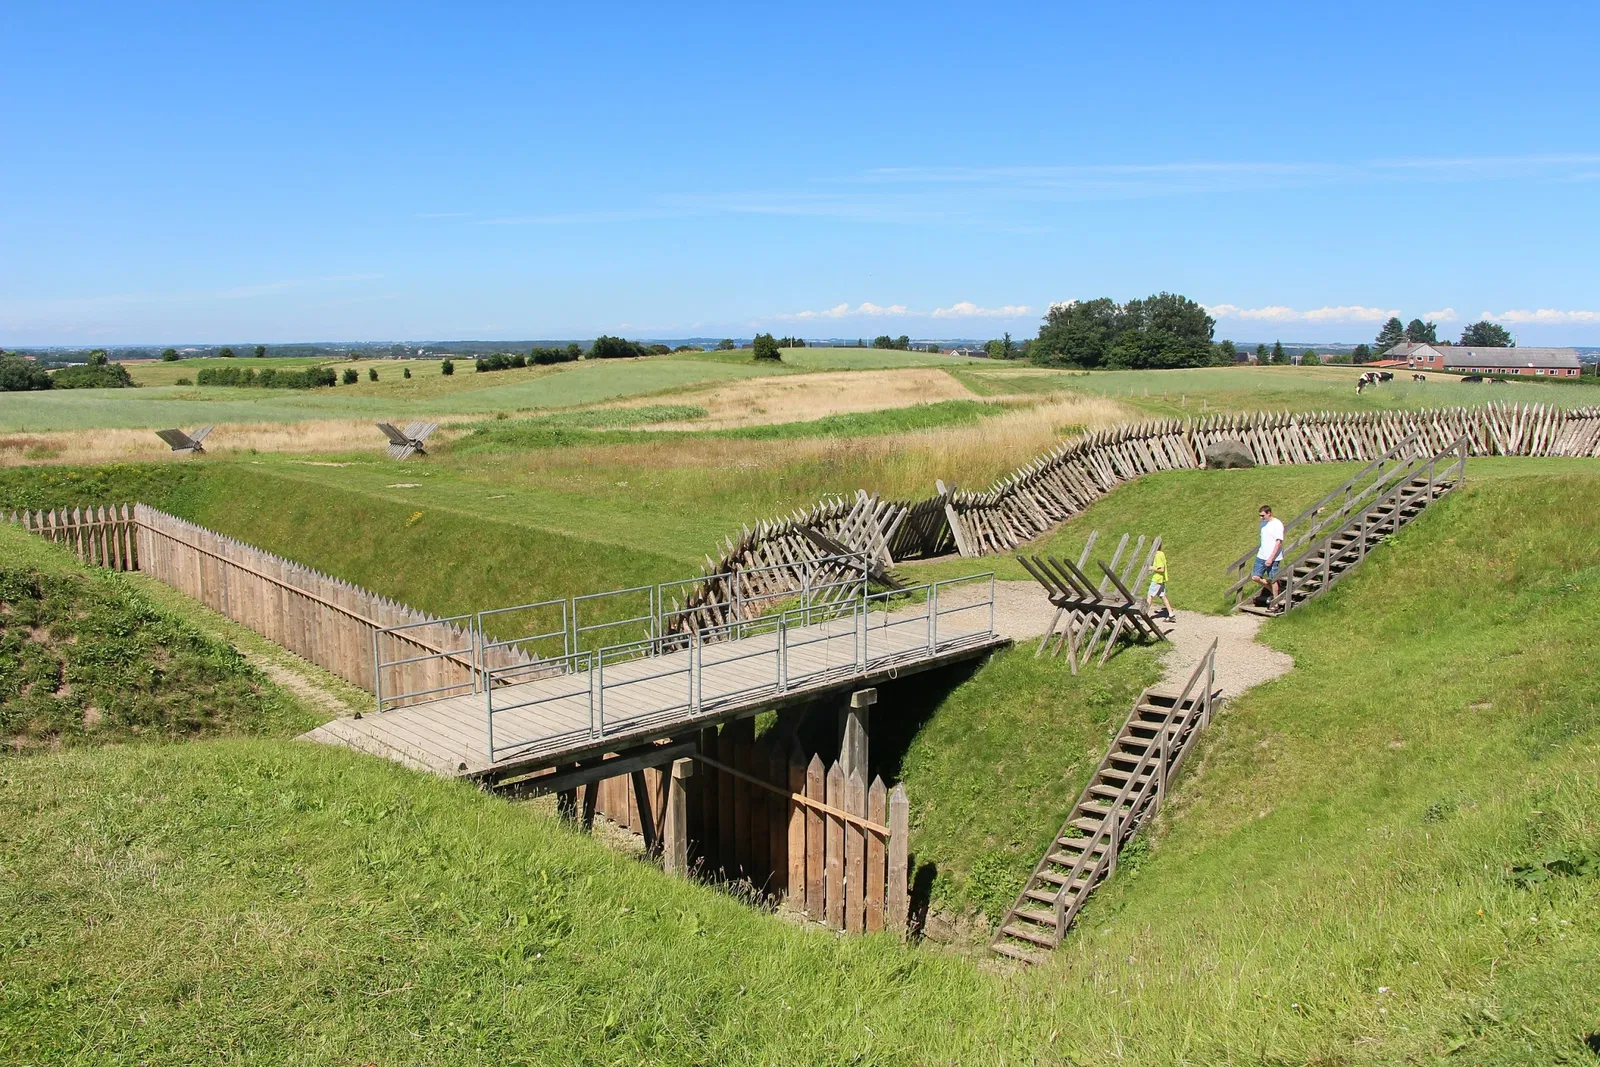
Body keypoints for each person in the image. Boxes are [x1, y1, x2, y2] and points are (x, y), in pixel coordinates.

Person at [1251, 504, 1285, 607]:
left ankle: (1276, 602)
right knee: (1255, 577)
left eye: (1263, 515)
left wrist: (1271, 558)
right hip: (1261, 555)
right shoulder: (1263, 524)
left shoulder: (1277, 524)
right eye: (1260, 516)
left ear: (1269, 513)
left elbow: (1278, 542)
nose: (1261, 518)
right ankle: (1275, 593)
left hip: (1273, 557)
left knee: (1273, 579)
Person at [1146, 547, 1174, 621]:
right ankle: (1171, 614)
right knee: (1162, 596)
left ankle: (1144, 613)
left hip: (1157, 579)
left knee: (1150, 596)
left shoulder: (1157, 555)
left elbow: (1161, 569)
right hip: (1161, 579)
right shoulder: (1161, 554)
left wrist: (1152, 568)